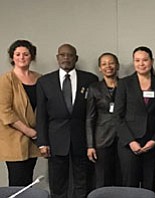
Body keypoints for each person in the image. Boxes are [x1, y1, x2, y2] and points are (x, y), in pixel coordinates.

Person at [36, 43, 98, 198]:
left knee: (83, 180)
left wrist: (93, 142)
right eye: (62, 55)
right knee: (57, 182)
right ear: (57, 58)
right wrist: (43, 142)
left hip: (82, 138)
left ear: (75, 58)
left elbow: (94, 114)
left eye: (70, 55)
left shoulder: (90, 79)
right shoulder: (45, 81)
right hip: (55, 139)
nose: (66, 58)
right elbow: (41, 115)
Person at [115, 46, 155, 191]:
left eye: (145, 60)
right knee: (130, 186)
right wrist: (131, 141)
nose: (141, 64)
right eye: (137, 60)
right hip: (129, 143)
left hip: (152, 143)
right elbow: (118, 116)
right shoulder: (124, 83)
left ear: (152, 61)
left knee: (150, 185)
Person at [0, 40, 41, 186]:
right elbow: (5, 112)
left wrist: (37, 134)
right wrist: (30, 132)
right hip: (14, 139)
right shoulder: (5, 80)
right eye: (17, 54)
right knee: (17, 183)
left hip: (34, 141)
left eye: (26, 54)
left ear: (32, 56)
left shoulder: (40, 79)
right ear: (12, 57)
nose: (21, 57)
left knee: (29, 181)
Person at [85, 52, 120, 188]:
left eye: (111, 63)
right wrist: (90, 145)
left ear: (117, 66)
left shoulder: (126, 85)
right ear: (99, 68)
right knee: (102, 178)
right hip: (102, 139)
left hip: (123, 138)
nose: (108, 66)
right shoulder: (94, 88)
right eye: (104, 64)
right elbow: (89, 117)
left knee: (121, 177)